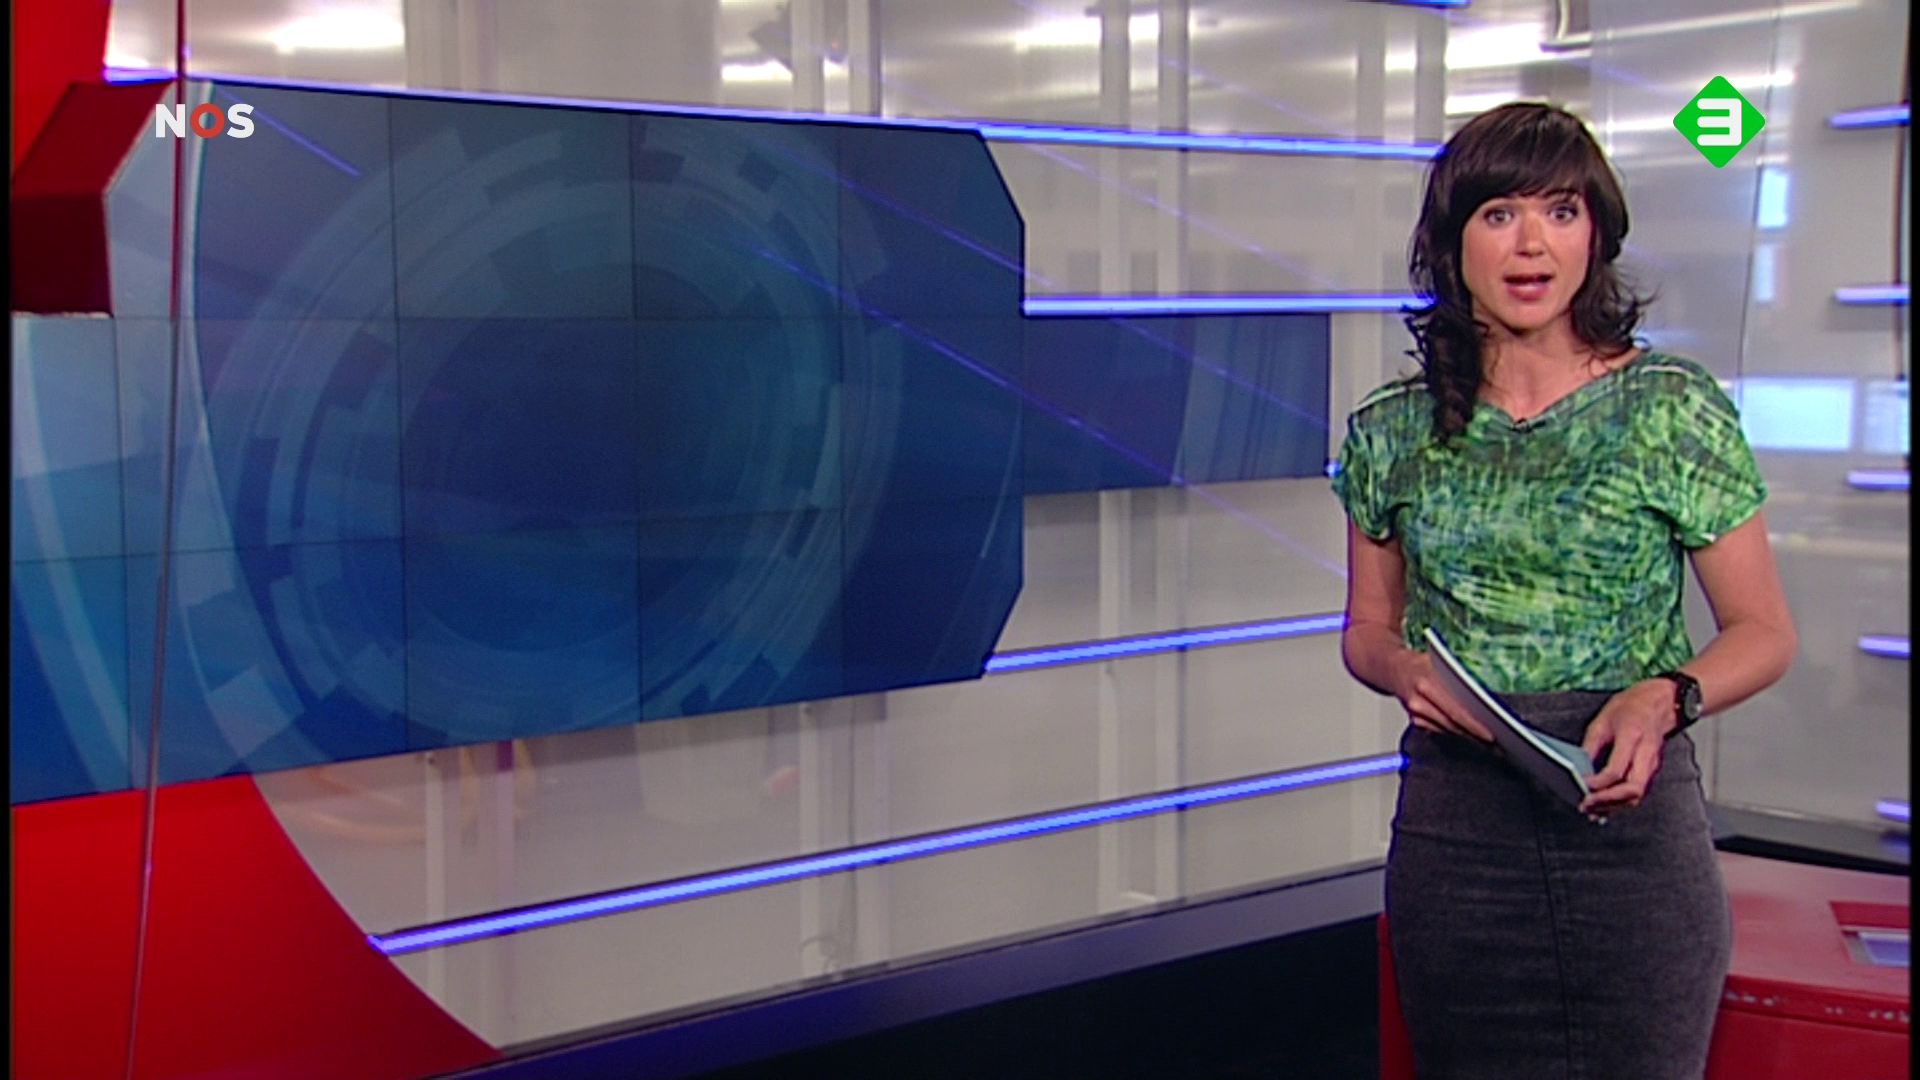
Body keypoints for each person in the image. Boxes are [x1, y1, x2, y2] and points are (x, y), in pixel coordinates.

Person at [1332, 101, 1798, 1079]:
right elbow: (1366, 630)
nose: (1532, 243)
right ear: (1452, 242)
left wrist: (1666, 697)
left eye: (1561, 211)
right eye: (1500, 213)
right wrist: (1404, 670)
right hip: (1460, 838)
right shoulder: (1392, 429)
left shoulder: (1670, 409)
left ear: (1596, 234)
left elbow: (1763, 631)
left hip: (1631, 828)